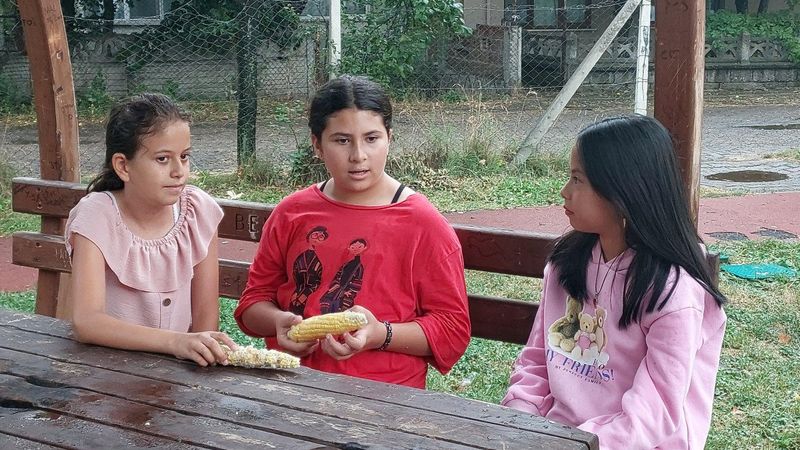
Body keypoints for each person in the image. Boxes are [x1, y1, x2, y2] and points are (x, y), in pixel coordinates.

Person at [502, 115, 727, 449]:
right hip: (554, 438)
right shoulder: (566, 265)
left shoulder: (672, 290)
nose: (564, 192)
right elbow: (537, 360)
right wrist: (518, 423)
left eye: (577, 179)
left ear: (621, 191)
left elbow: (655, 413)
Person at [234, 75, 471, 388]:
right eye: (342, 140)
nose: (358, 155)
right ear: (317, 144)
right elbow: (253, 303)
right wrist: (278, 322)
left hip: (384, 395)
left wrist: (379, 334)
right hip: (292, 384)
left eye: (372, 139)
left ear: (390, 137)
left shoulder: (422, 224)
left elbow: (452, 329)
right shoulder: (292, 213)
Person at [64, 93, 236, 366]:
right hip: (104, 375)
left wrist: (196, 349)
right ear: (123, 166)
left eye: (185, 156)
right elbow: (87, 322)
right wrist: (174, 341)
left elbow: (206, 322)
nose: (179, 171)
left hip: (175, 380)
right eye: (162, 159)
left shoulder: (198, 212)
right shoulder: (97, 216)